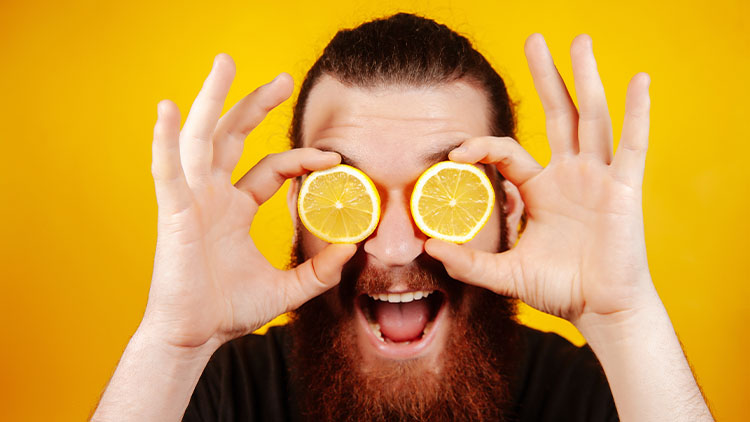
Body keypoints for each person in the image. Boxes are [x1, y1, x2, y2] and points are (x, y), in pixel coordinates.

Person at [91, 13, 713, 422]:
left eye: (445, 190)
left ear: (509, 211)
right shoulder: (216, 391)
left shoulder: (600, 396)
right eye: (347, 189)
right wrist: (172, 344)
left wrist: (626, 320)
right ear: (300, 214)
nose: (392, 248)